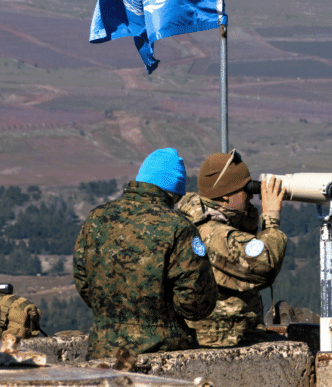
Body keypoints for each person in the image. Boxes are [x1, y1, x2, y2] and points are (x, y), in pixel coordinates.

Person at [74, 147, 218, 360]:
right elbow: (196, 303)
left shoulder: (97, 218)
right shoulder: (178, 228)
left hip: (102, 352)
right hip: (161, 354)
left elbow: (83, 282)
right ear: (175, 192)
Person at [177, 150, 287, 347]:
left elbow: (242, 241)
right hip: (222, 343)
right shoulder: (213, 234)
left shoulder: (199, 219)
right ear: (227, 195)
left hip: (224, 338)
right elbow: (264, 266)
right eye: (246, 190)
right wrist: (271, 220)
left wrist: (247, 215)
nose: (251, 196)